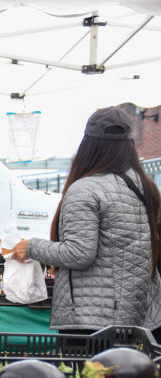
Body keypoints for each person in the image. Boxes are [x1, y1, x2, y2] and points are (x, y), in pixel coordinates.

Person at [12, 106, 161, 341]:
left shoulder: (85, 189)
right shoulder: (146, 187)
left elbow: (79, 253)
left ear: (88, 145)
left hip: (90, 321)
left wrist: (30, 247)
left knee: (89, 377)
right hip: (137, 316)